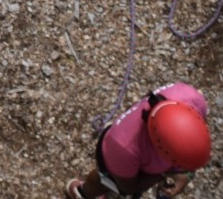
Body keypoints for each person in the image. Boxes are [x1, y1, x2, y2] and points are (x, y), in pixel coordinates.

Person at [66, 83, 213, 198]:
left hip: (128, 151)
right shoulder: (124, 148)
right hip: (115, 156)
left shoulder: (188, 96)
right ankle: (81, 192)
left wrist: (184, 174)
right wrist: (161, 175)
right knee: (106, 181)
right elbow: (128, 187)